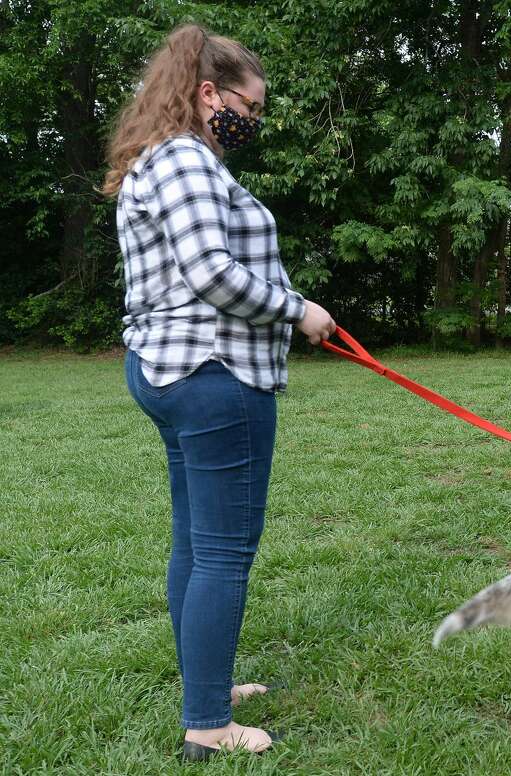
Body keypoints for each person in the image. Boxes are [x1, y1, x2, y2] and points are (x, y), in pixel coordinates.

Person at [101, 24, 336, 759]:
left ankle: (206, 684)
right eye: (250, 107)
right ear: (209, 94)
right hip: (213, 376)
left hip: (170, 370)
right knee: (224, 552)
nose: (253, 121)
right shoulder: (187, 160)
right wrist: (299, 310)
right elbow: (211, 273)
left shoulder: (158, 158)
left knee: (197, 544)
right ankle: (207, 723)